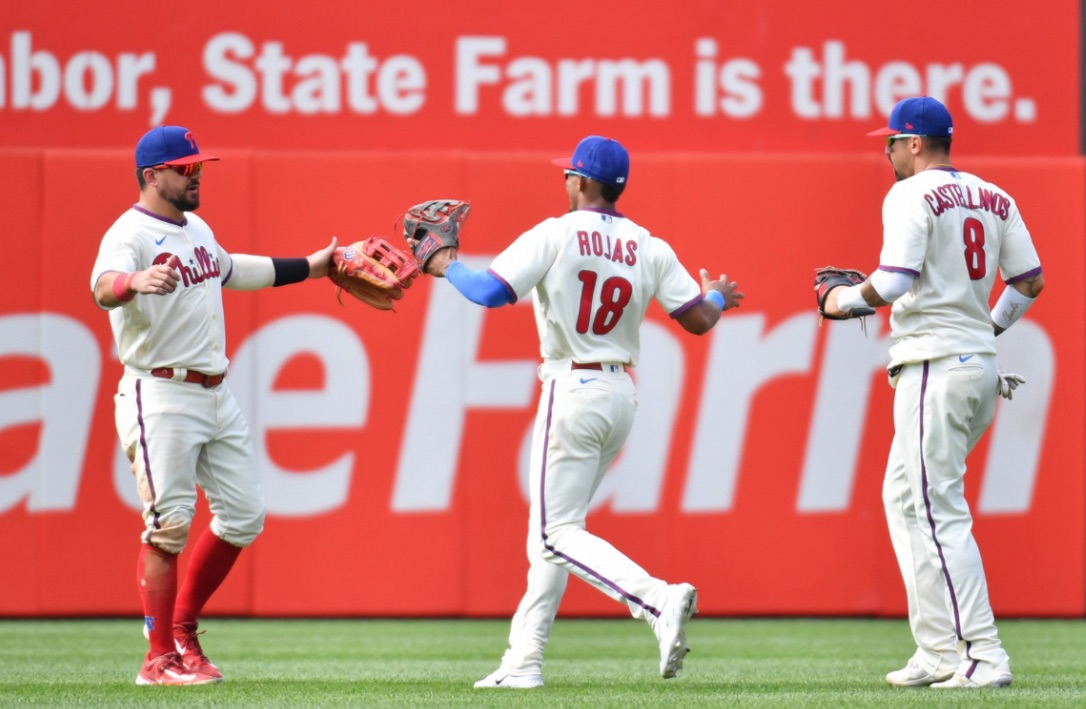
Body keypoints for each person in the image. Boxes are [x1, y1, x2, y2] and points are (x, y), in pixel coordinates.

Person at [418, 135, 744, 688]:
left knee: (553, 534)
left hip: (573, 388)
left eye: (569, 174)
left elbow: (490, 293)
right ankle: (524, 662)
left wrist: (446, 264)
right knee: (553, 532)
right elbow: (697, 320)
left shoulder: (557, 232)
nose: (564, 181)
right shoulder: (648, 244)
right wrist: (716, 297)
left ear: (585, 182)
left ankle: (656, 600)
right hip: (620, 397)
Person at [90, 126, 336, 686]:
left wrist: (311, 266)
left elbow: (232, 269)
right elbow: (102, 285)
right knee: (168, 527)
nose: (196, 174)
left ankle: (182, 628)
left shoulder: (195, 227)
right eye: (185, 167)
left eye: (199, 165)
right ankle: (157, 659)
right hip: (161, 392)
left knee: (245, 515)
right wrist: (133, 280)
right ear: (153, 176)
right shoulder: (128, 232)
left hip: (214, 392)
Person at [821, 97, 1044, 689]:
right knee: (905, 499)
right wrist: (985, 328)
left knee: (938, 509)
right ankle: (938, 650)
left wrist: (840, 302)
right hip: (974, 366)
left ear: (915, 143)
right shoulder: (996, 196)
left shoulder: (909, 193)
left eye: (891, 140)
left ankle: (983, 655)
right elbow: (1030, 280)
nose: (886, 150)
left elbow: (893, 282)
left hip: (935, 369)